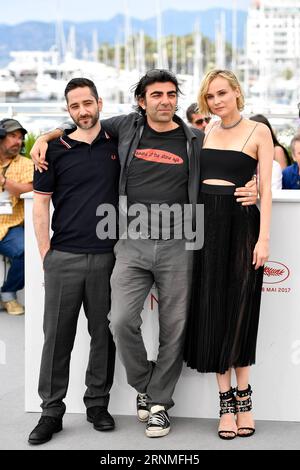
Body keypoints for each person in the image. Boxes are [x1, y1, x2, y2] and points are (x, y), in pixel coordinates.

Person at [30, 69, 258, 439]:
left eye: (171, 94)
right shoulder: (126, 128)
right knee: (118, 320)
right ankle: (147, 384)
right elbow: (85, 120)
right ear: (142, 100)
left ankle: (158, 406)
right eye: (156, 95)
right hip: (130, 243)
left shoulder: (195, 137)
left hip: (179, 244)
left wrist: (255, 187)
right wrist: (47, 134)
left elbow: (235, 159)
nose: (164, 101)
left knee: (175, 328)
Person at [28, 78, 119, 446]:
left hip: (108, 257)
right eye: (74, 106)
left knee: (103, 335)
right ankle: (51, 411)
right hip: (63, 256)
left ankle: (97, 404)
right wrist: (46, 256)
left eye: (88, 103)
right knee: (57, 338)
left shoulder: (118, 141)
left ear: (99, 102)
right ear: (68, 110)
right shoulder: (51, 151)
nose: (83, 111)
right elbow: (40, 206)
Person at [184, 70, 273, 440]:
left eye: (222, 93)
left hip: (242, 227)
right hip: (208, 226)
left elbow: (265, 189)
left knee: (240, 310)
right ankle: (225, 405)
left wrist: (263, 238)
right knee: (213, 310)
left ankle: (245, 402)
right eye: (210, 96)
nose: (216, 101)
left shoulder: (259, 132)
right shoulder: (207, 132)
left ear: (237, 92)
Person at [0, 119, 33, 315]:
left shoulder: (26, 164)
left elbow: (27, 190)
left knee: (26, 250)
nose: (17, 142)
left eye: (20, 138)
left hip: (10, 227)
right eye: (12, 136)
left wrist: (4, 181)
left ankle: (8, 294)